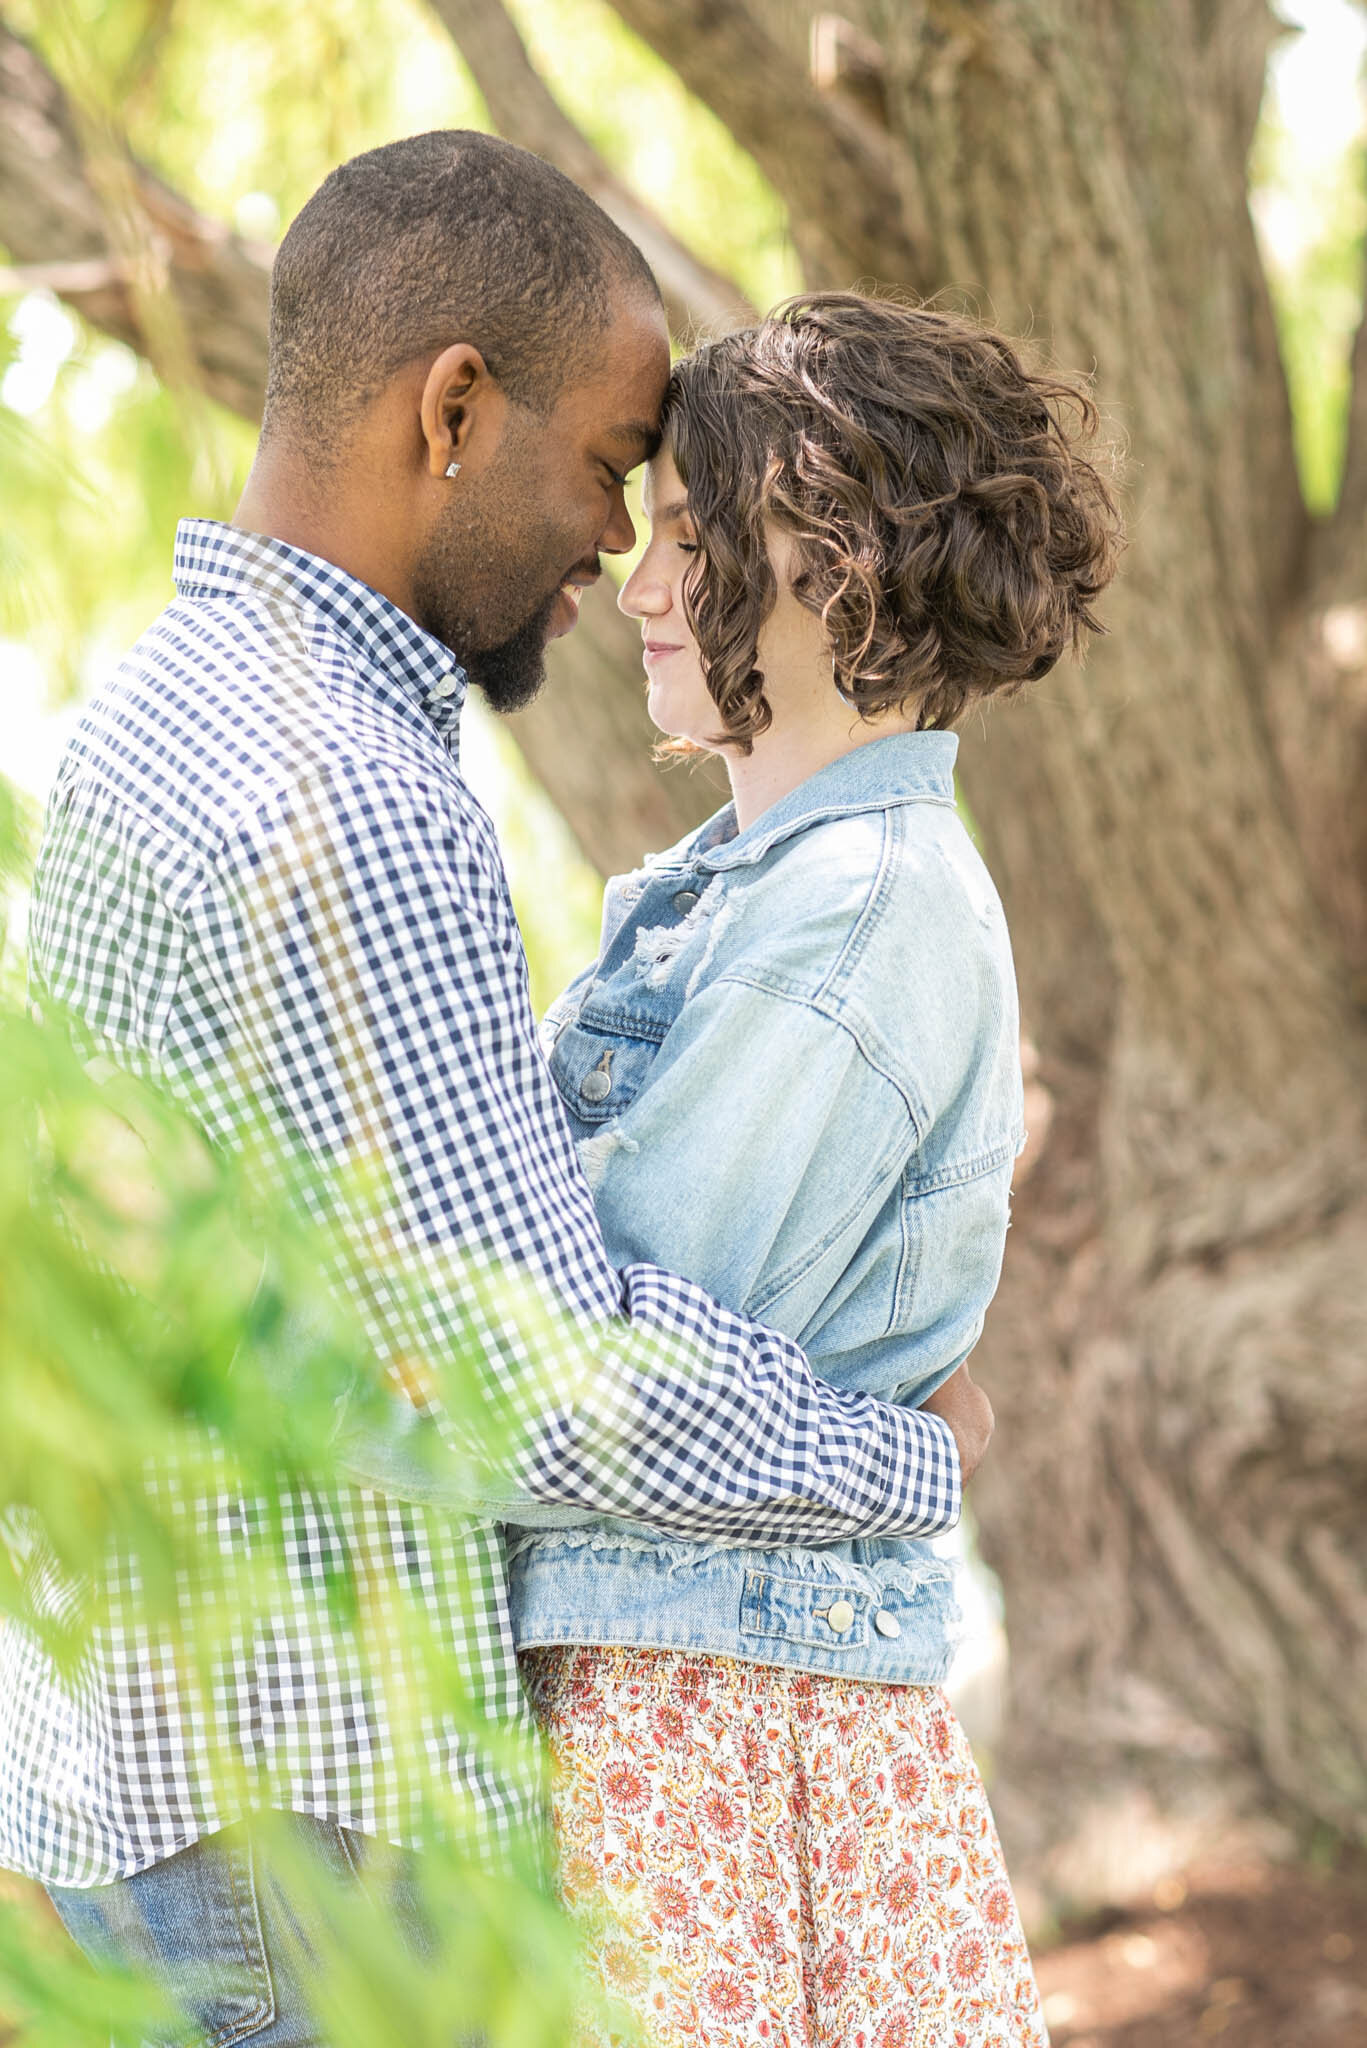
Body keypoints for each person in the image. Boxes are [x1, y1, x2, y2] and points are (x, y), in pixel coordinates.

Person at [10, 137, 988, 2046]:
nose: (622, 551)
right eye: (619, 468)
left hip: (132, 1791)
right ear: (454, 409)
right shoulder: (352, 801)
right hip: (317, 1840)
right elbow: (522, 1384)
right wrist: (905, 1461)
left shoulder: (154, 706)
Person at [511, 293, 1121, 2046]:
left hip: (710, 1700)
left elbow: (602, 1370)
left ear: (840, 570)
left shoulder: (856, 915)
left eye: (692, 542)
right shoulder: (765, 885)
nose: (636, 586)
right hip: (694, 1669)